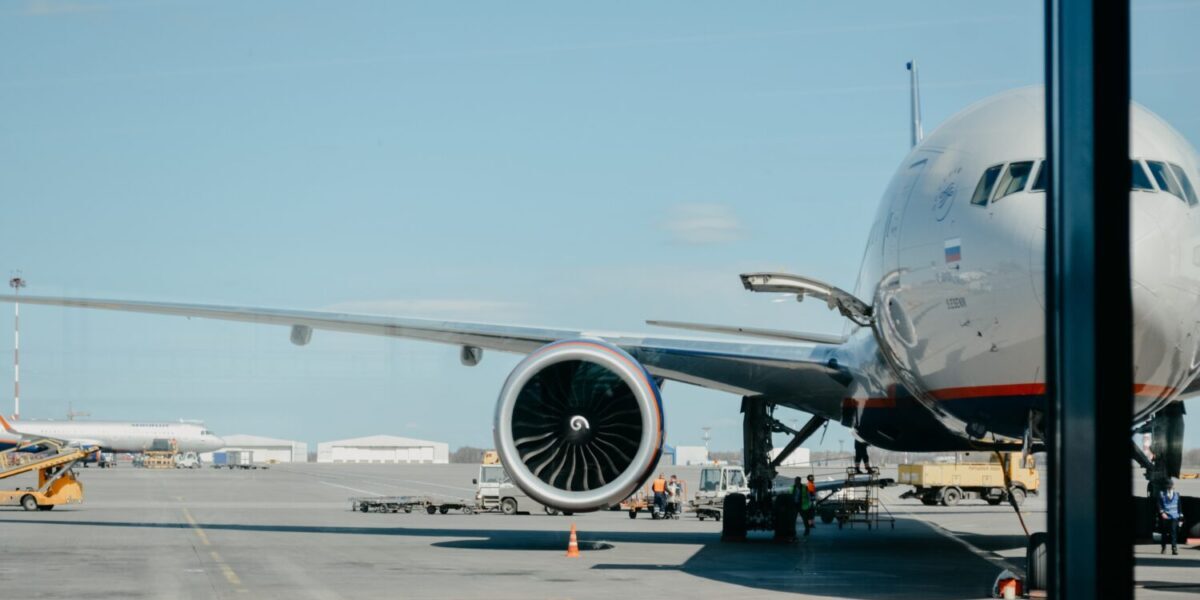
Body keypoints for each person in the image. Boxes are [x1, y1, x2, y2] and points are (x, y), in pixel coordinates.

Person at [1158, 479, 1184, 555]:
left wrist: (1181, 516)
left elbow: (1179, 506)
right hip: (1165, 516)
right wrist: (1162, 512)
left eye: (1171, 485)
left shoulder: (1177, 494)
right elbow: (1159, 504)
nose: (1170, 487)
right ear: (1166, 486)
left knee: (1173, 532)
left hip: (1174, 516)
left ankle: (1174, 548)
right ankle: (1163, 547)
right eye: (1168, 485)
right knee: (1164, 533)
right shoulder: (1161, 494)